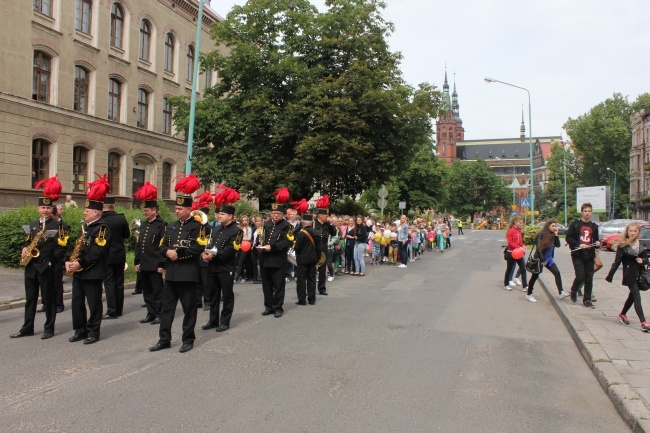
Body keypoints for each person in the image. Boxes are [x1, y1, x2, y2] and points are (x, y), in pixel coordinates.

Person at [150, 176, 203, 353]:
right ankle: (164, 339)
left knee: (189, 309)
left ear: (189, 209)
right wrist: (167, 252)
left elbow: (198, 248)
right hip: (172, 274)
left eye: (180, 209)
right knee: (167, 309)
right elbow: (162, 245)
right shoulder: (171, 226)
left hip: (187, 274)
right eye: (176, 208)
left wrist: (177, 254)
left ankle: (188, 339)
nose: (177, 211)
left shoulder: (198, 227)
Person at [11, 180, 66, 340]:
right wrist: (24, 247)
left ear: (52, 209)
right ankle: (27, 328)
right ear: (38, 209)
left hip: (46, 268)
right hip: (31, 267)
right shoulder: (33, 224)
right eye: (43, 207)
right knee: (30, 300)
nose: (46, 210)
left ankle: (49, 328)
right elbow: (28, 240)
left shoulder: (58, 226)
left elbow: (61, 249)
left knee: (49, 300)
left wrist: (52, 261)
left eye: (48, 208)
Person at [66, 175, 112, 344]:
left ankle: (94, 331)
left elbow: (97, 251)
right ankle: (80, 330)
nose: (84, 213)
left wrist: (80, 263)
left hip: (92, 271)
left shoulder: (102, 229)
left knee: (94, 304)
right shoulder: (86, 227)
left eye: (87, 211)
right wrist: (68, 260)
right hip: (79, 271)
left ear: (96, 212)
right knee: (77, 301)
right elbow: (76, 246)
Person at [201, 190, 241, 333]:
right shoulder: (216, 228)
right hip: (212, 266)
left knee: (227, 295)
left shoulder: (237, 230)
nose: (219, 216)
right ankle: (213, 320)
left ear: (230, 216)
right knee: (213, 294)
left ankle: (224, 321)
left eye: (222, 214)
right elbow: (210, 243)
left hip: (225, 267)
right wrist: (205, 253)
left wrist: (214, 256)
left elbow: (231, 249)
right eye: (219, 214)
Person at [605, 222, 650, 332]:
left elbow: (647, 260)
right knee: (637, 296)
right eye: (631, 231)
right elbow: (617, 262)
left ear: (638, 232)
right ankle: (644, 322)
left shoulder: (642, 244)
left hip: (640, 275)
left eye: (635, 231)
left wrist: (642, 260)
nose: (632, 233)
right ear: (627, 232)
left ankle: (622, 314)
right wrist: (610, 275)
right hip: (629, 275)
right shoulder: (623, 246)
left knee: (632, 296)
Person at [133, 183, 166, 325]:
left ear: (154, 211)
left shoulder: (162, 224)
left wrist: (162, 264)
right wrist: (137, 261)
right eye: (144, 210)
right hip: (144, 263)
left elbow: (164, 246)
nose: (145, 212)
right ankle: (150, 313)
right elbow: (139, 244)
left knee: (157, 291)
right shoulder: (144, 225)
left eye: (147, 210)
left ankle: (160, 313)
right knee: (146, 291)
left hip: (155, 263)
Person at [257, 192, 292, 318]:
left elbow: (287, 242)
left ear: (282, 214)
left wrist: (272, 247)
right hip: (265, 259)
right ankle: (269, 306)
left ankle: (278, 307)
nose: (275, 215)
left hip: (278, 260)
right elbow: (261, 238)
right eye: (273, 213)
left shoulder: (287, 226)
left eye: (278, 213)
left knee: (278, 286)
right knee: (266, 285)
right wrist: (259, 246)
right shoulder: (266, 225)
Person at [566, 202, 600, 308]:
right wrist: (579, 244)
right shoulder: (575, 224)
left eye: (589, 211)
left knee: (589, 278)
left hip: (589, 254)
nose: (587, 213)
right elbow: (569, 237)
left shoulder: (594, 226)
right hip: (578, 254)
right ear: (581, 212)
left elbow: (596, 241)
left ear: (591, 212)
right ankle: (574, 290)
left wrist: (598, 244)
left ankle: (587, 300)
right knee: (580, 276)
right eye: (585, 211)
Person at [101, 197, 130, 319]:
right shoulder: (121, 218)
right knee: (119, 282)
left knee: (109, 283)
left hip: (107, 255)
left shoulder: (101, 219)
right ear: (113, 206)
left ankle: (111, 310)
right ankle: (119, 309)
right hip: (119, 254)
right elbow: (126, 235)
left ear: (103, 207)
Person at [526, 220, 568, 302]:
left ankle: (561, 292)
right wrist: (542, 259)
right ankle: (529, 294)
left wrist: (556, 235)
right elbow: (538, 248)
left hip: (549, 259)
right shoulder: (541, 234)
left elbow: (558, 245)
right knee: (535, 276)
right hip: (540, 258)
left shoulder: (553, 235)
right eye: (553, 226)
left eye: (555, 226)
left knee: (557, 273)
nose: (554, 228)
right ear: (548, 226)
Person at [294, 214, 319, 305]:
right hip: (313, 259)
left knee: (301, 279)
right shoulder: (316, 232)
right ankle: (312, 299)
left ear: (303, 222)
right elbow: (319, 248)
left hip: (302, 259)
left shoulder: (301, 234)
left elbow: (297, 247)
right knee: (312, 279)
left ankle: (302, 299)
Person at [314, 196, 337, 291]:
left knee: (322, 269)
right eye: (325, 215)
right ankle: (310, 289)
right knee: (312, 268)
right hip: (314, 247)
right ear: (320, 215)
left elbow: (334, 233)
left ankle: (322, 288)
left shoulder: (327, 225)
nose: (327, 217)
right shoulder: (313, 223)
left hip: (323, 247)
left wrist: (330, 224)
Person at [503, 216, 528, 292]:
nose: (521, 224)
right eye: (520, 223)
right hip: (511, 253)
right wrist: (519, 247)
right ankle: (506, 284)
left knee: (523, 268)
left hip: (518, 254)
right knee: (509, 269)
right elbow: (510, 243)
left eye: (522, 223)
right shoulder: (511, 231)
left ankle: (525, 286)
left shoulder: (519, 231)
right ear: (515, 222)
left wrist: (522, 245)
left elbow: (519, 242)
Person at [51, 204, 68, 313]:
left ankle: (59, 304)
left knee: (57, 282)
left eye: (52, 215)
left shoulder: (63, 226)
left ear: (56, 215)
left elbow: (63, 244)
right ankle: (46, 303)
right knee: (46, 283)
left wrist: (53, 257)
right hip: (45, 258)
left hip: (56, 258)